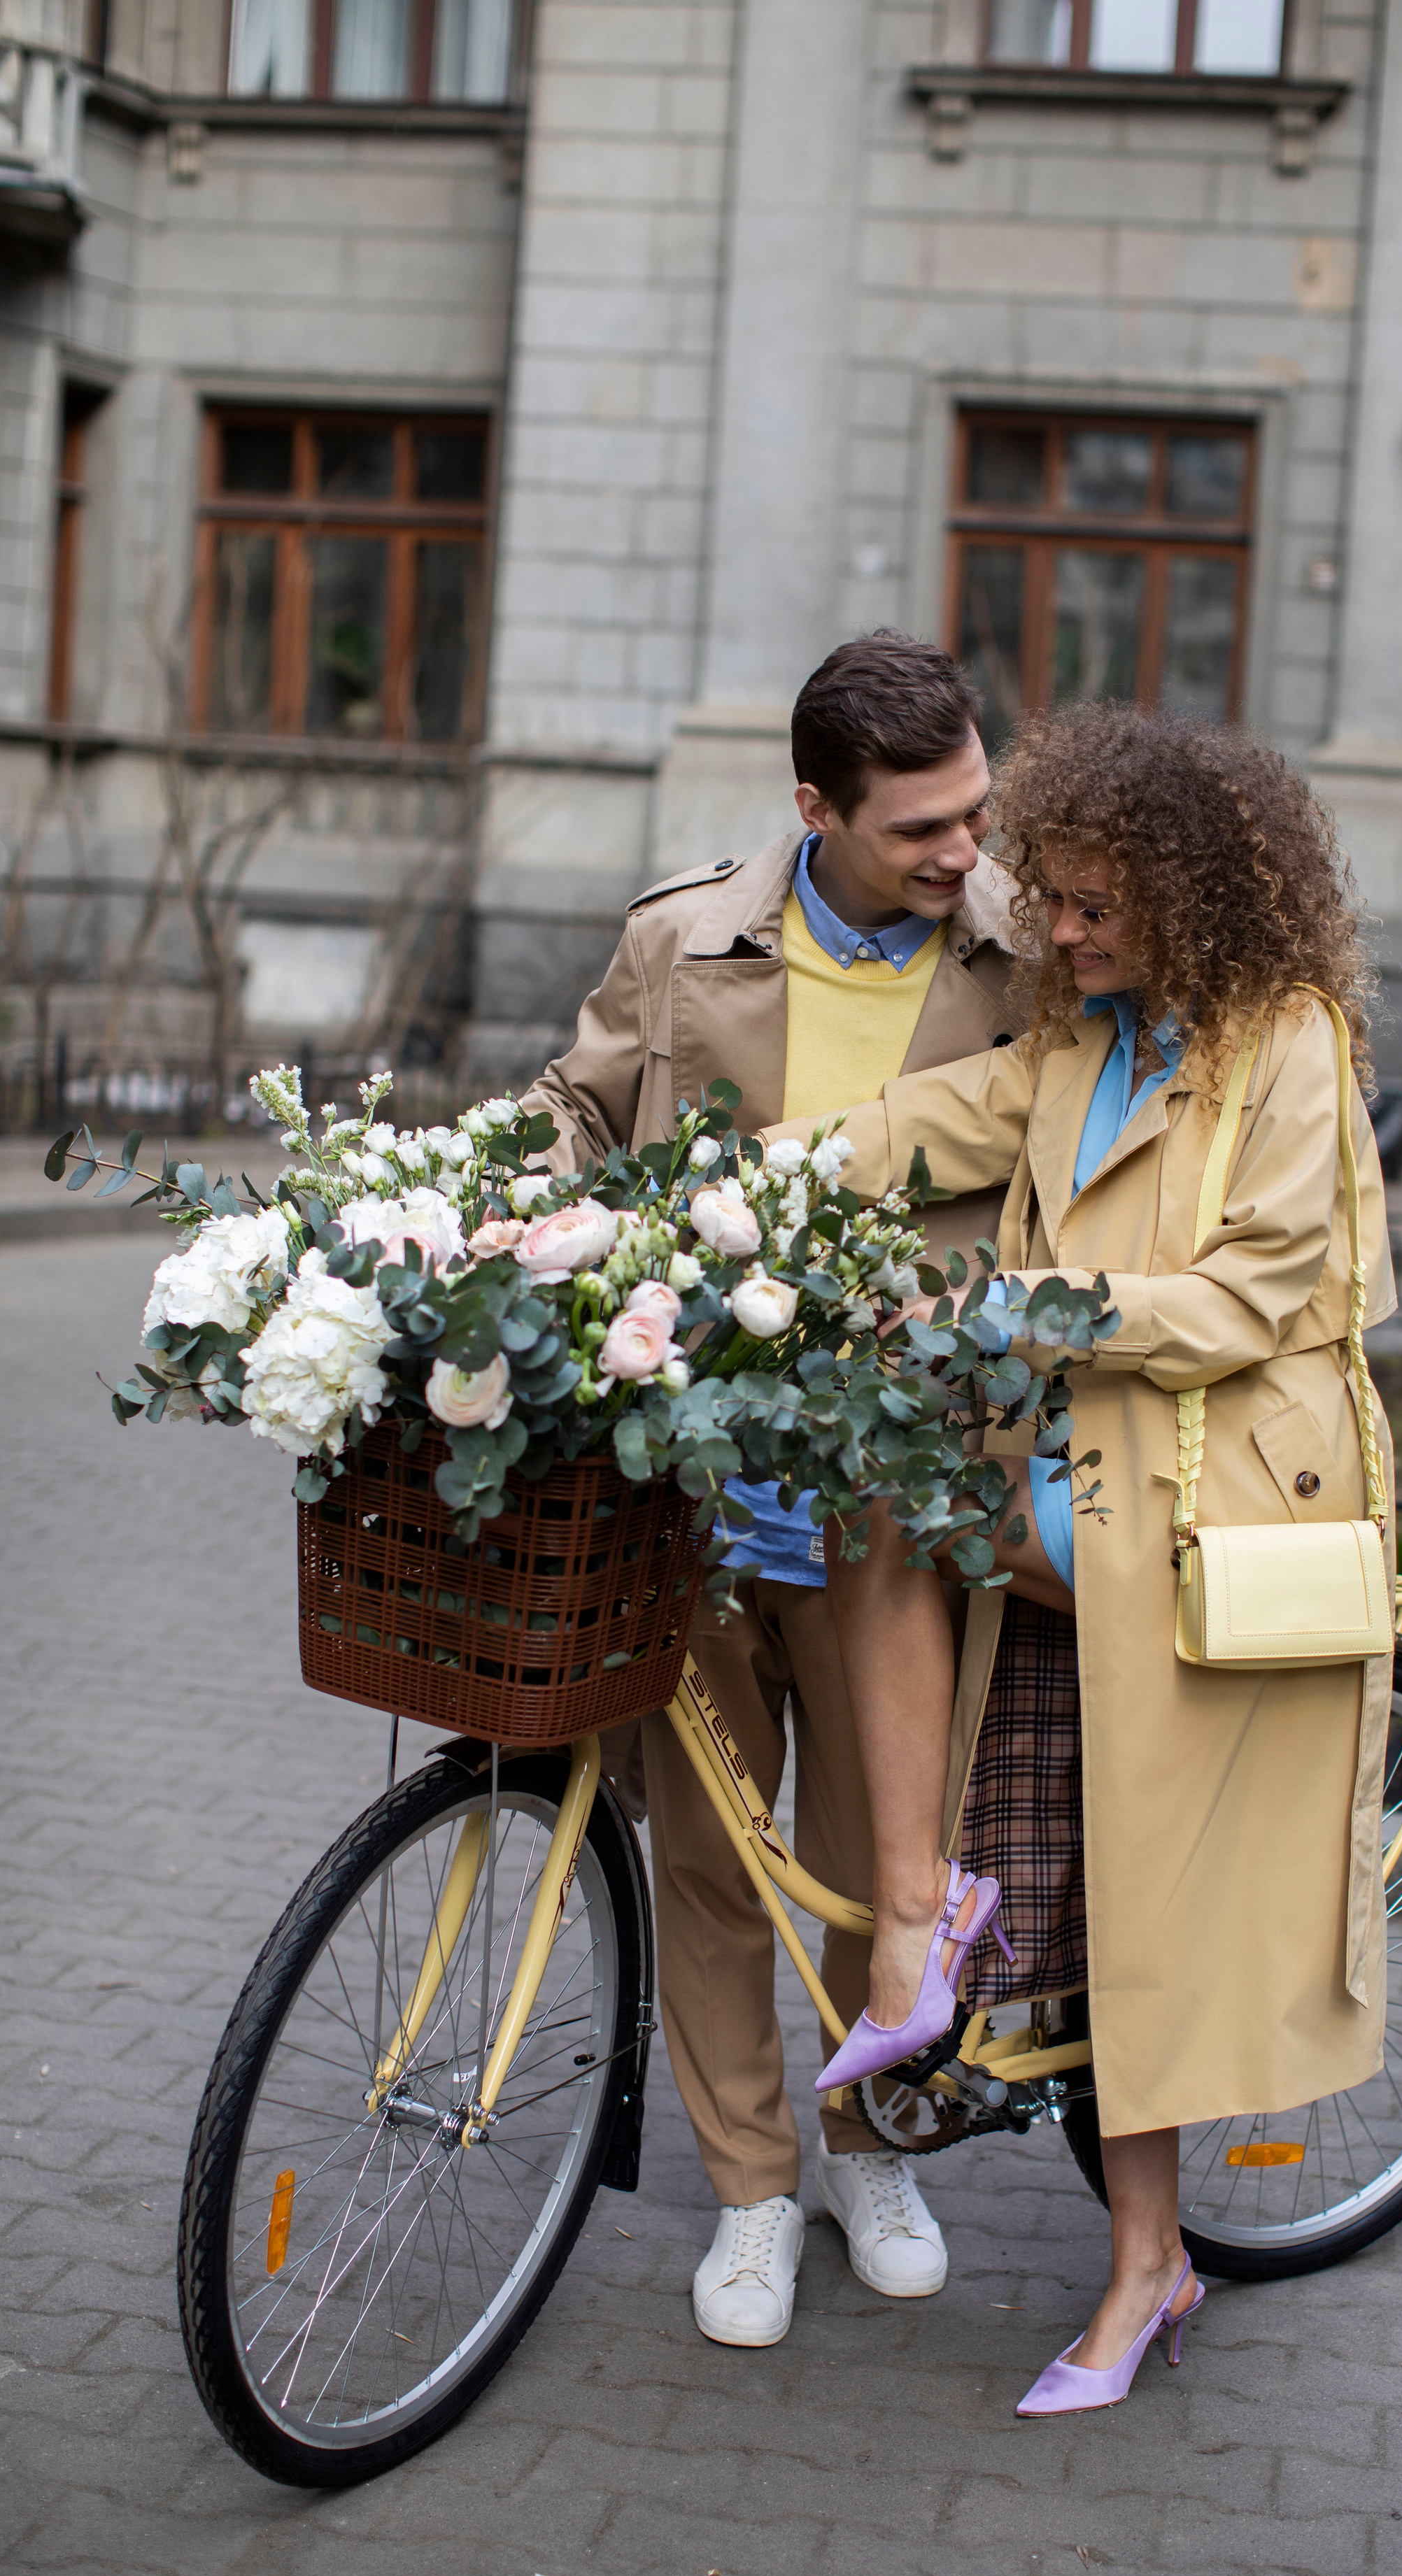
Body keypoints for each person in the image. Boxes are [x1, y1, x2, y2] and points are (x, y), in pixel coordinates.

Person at [775, 703, 1398, 2414]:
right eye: (1046, 897)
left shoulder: (1289, 1044)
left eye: (1087, 904)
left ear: (1188, 892)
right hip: (1087, 1482)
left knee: (1153, 1912)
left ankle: (1142, 2262)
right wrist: (710, 1199)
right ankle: (923, 1923)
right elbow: (909, 1132)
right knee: (881, 1495)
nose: (1050, 929)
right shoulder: (1072, 1040)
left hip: (1213, 1502)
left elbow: (1254, 1295)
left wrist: (1020, 1308)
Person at [519, 632, 1017, 2347]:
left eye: (975, 810)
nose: (963, 854)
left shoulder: (1027, 954)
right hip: (705, 1489)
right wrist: (494, 1231)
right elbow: (571, 1119)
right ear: (813, 808)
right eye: (920, 831)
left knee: (888, 1857)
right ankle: (748, 2192)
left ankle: (867, 2146)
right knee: (721, 1866)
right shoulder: (683, 939)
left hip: (905, 1498)